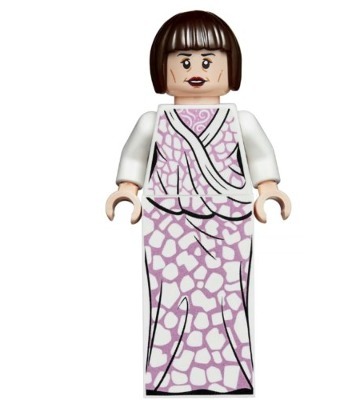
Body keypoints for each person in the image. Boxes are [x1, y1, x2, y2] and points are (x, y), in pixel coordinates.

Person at [106, 10, 291, 396]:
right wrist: (127, 189)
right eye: (184, 61)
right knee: (170, 300)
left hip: (228, 222)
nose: (196, 70)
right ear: (161, 69)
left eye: (208, 61)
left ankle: (230, 376)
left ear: (230, 68)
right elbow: (135, 158)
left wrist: (268, 188)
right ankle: (168, 377)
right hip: (168, 224)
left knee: (228, 299)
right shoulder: (153, 122)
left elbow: (259, 157)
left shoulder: (241, 121)